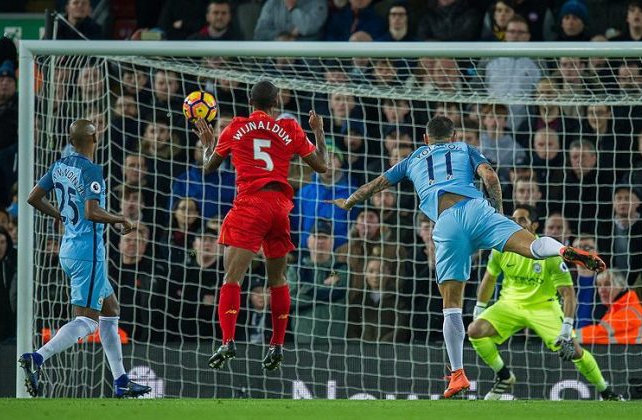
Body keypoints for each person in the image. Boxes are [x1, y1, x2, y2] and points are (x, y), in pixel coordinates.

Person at [331, 116, 606, 399]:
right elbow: (489, 176)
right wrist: (497, 213)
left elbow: (377, 184)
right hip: (477, 210)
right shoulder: (464, 149)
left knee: (451, 306)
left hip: (447, 223)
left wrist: (349, 201)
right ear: (452, 136)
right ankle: (563, 249)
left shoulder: (413, 158)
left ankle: (458, 375)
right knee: (533, 247)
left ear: (426, 139)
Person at [198, 80, 329, 371]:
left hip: (250, 204)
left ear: (249, 101)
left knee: (232, 277)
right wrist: (318, 130)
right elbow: (321, 165)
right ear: (276, 102)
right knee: (278, 279)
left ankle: (228, 340)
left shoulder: (234, 127)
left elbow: (209, 167)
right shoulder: (291, 128)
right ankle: (277, 344)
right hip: (280, 208)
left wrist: (208, 145)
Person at [18, 119, 150, 398]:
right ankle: (37, 357)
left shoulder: (59, 165)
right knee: (87, 321)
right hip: (88, 253)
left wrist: (62, 215)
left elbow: (33, 197)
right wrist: (119, 219)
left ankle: (121, 380)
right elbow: (91, 212)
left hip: (69, 248)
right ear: (94, 139)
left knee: (111, 310)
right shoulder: (92, 170)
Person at [467, 205, 621, 400]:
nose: (516, 223)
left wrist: (567, 327)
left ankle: (606, 392)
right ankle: (504, 376)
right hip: (510, 304)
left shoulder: (549, 254)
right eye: (513, 219)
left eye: (522, 220)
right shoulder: (501, 248)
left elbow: (568, 293)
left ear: (534, 226)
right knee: (474, 331)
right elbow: (489, 278)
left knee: (574, 351)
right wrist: (480, 307)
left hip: (544, 306)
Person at [578, 269, 642, 344]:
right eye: (599, 285)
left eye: (607, 284)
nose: (601, 290)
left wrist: (570, 336)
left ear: (621, 287)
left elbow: (599, 334)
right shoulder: (614, 312)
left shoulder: (629, 313)